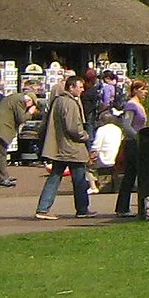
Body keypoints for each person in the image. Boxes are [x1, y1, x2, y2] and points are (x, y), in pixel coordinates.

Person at [34, 74, 93, 219]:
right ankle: (82, 209)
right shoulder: (70, 103)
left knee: (55, 176)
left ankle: (43, 208)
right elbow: (73, 128)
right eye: (79, 87)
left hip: (60, 147)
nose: (81, 90)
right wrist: (85, 135)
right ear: (71, 87)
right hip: (72, 148)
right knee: (79, 178)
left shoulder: (58, 101)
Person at [111, 79, 149, 217]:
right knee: (138, 174)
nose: (145, 92)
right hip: (133, 144)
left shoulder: (139, 105)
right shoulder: (131, 106)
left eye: (146, 89)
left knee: (130, 175)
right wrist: (138, 137)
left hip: (138, 143)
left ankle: (123, 208)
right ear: (135, 90)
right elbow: (127, 125)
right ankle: (138, 207)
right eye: (142, 89)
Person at [0, 85, 33, 189]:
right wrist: (30, 112)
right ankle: (2, 179)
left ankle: (2, 176)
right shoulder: (19, 101)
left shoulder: (14, 97)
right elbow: (21, 118)